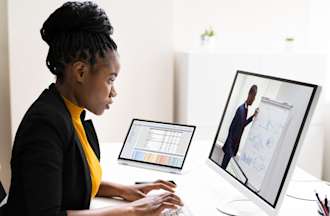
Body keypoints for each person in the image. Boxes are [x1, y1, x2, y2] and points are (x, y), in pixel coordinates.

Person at [5, 2, 182, 216]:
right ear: (80, 72)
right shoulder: (45, 124)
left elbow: (72, 179)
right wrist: (133, 210)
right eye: (110, 80)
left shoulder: (69, 113)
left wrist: (125, 191)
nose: (113, 92)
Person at [221, 85, 259, 169]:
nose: (253, 100)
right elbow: (231, 129)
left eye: (254, 98)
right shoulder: (241, 109)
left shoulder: (246, 109)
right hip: (230, 148)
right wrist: (230, 149)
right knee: (222, 168)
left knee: (225, 169)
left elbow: (242, 125)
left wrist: (253, 116)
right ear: (249, 95)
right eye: (253, 97)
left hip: (233, 148)